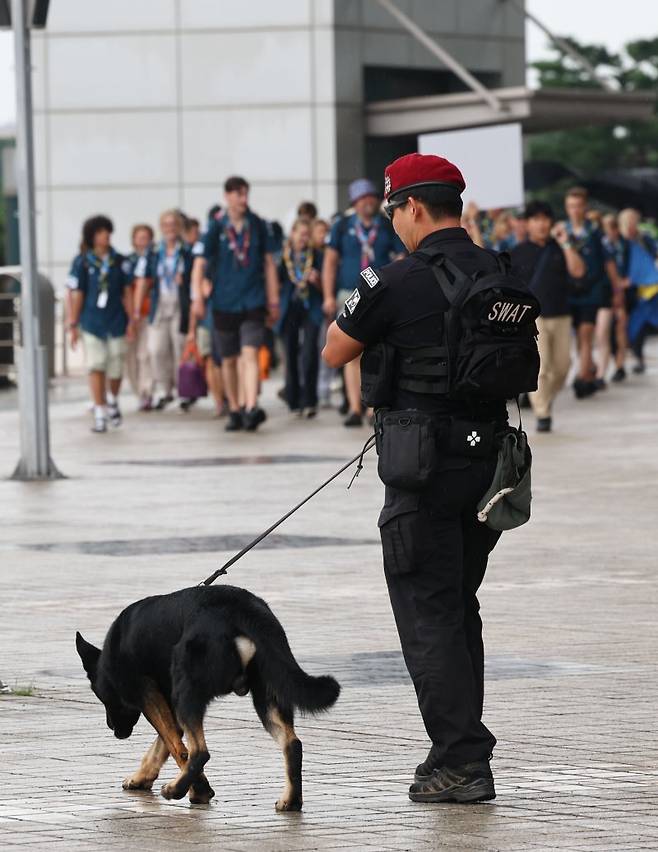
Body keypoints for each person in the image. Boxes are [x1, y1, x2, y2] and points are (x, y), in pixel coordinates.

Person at [323, 153, 513, 804]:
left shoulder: (395, 280)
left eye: (394, 212)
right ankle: (458, 749)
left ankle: (461, 761)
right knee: (459, 609)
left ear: (413, 208)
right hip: (487, 465)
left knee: (428, 616)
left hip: (421, 469)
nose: (394, 224)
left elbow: (334, 349)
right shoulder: (497, 270)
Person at [191, 175, 280, 432]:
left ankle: (251, 406)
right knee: (228, 359)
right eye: (238, 195)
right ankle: (235, 408)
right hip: (223, 301)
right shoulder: (215, 227)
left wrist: (273, 301)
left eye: (245, 194)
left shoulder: (258, 224)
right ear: (227, 196)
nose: (243, 200)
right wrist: (198, 297)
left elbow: (268, 263)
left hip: (252, 299)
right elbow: (200, 264)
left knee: (250, 353)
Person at [322, 178, 405, 427]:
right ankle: (355, 407)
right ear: (354, 202)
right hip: (349, 291)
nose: (367, 202)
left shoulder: (385, 225)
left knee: (377, 349)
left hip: (379, 292)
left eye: (370, 196)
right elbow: (329, 262)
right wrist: (327, 295)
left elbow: (401, 254)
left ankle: (372, 408)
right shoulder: (341, 226)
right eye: (362, 198)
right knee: (350, 350)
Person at [511, 201, 585, 432]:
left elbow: (578, 271)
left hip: (561, 314)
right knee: (542, 369)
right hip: (534, 319)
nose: (541, 224)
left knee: (563, 366)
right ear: (528, 223)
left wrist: (565, 243)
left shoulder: (560, 247)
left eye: (545, 219)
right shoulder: (518, 252)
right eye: (535, 219)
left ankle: (542, 398)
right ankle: (543, 413)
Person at [66, 215, 134, 433]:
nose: (106, 236)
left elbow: (128, 291)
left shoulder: (120, 261)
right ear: (92, 236)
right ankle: (99, 409)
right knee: (96, 364)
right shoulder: (83, 262)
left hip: (116, 320)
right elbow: (77, 293)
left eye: (108, 232)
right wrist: (73, 323)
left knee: (116, 363)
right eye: (101, 232)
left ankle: (112, 398)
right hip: (92, 320)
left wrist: (132, 319)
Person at [134, 209, 193, 410]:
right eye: (166, 225)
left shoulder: (187, 251)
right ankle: (165, 388)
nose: (170, 228)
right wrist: (136, 310)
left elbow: (197, 276)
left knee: (179, 347)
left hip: (180, 304)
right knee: (156, 349)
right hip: (159, 304)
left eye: (173, 224)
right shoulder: (153, 252)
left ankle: (183, 391)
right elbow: (143, 281)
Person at [563, 187, 616, 398]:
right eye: (570, 206)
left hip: (592, 291)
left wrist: (616, 289)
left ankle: (582, 377)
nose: (574, 210)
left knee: (586, 334)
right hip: (569, 292)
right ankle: (587, 368)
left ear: (585, 207)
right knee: (578, 337)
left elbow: (609, 261)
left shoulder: (595, 231)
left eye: (578, 206)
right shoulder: (562, 231)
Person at [276, 218, 323, 417]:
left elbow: (326, 284)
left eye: (307, 234)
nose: (304, 238)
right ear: (292, 233)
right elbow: (275, 284)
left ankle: (310, 400)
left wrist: (317, 280)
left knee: (310, 353)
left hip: (310, 307)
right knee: (291, 354)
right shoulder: (283, 257)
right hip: (289, 309)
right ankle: (293, 399)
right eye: (300, 234)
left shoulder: (317, 256)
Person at [618, 208, 658, 373]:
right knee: (630, 325)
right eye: (630, 222)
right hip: (628, 290)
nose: (633, 226)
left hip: (648, 288)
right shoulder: (620, 242)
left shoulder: (645, 239)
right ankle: (627, 357)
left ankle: (638, 358)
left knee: (640, 325)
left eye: (635, 222)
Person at [125, 223, 154, 411]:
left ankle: (146, 391)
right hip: (130, 317)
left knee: (146, 354)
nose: (143, 241)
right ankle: (137, 391)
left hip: (149, 314)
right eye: (139, 237)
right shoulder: (127, 263)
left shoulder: (155, 260)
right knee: (131, 357)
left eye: (146, 237)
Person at [602, 213, 631, 382]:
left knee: (621, 327)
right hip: (605, 292)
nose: (611, 232)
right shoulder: (602, 246)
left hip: (621, 292)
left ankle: (620, 365)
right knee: (605, 332)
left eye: (614, 228)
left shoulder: (624, 245)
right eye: (608, 229)